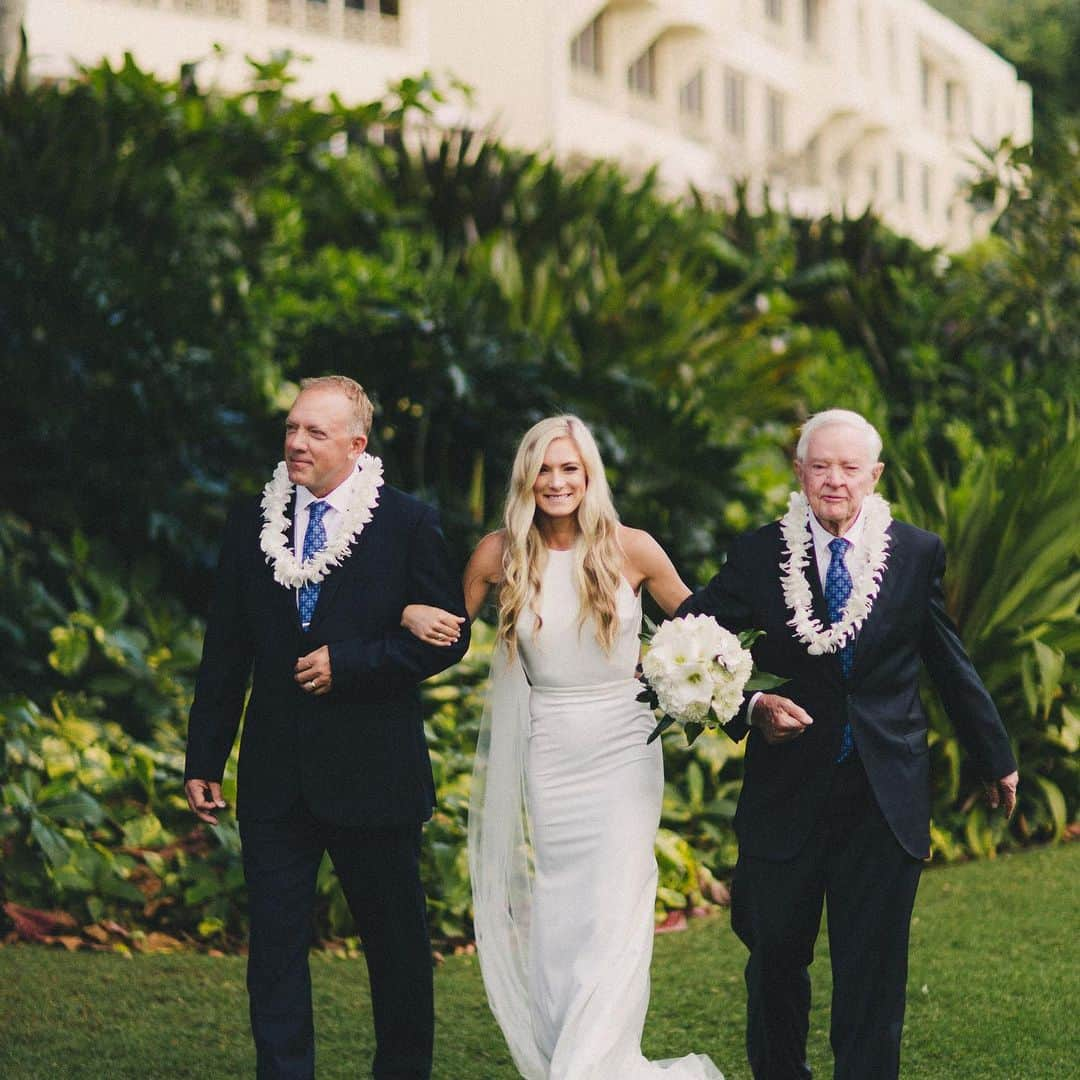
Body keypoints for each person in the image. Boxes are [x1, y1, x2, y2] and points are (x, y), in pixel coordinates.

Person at [677, 408, 1018, 1080]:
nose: (835, 480)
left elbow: (946, 659)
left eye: (849, 467)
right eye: (821, 466)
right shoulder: (756, 555)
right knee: (774, 954)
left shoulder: (915, 552)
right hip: (786, 794)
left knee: (873, 972)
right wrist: (751, 707)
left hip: (883, 794)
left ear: (874, 475)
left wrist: (995, 756)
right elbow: (687, 644)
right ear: (800, 473)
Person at [402, 415, 723, 1079]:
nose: (556, 481)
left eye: (569, 468)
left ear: (589, 476)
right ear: (527, 477)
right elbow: (451, 632)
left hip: (624, 745)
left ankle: (587, 1064)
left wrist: (682, 673)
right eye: (544, 469)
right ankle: (570, 1048)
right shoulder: (498, 554)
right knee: (562, 904)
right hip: (550, 747)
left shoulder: (631, 548)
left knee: (617, 901)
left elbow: (703, 632)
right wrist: (407, 613)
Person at [184, 375, 469, 1080]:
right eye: (291, 429)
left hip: (374, 774)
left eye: (315, 432)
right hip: (277, 778)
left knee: (396, 952)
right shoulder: (254, 523)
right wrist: (205, 756)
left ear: (355, 443)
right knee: (274, 953)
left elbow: (449, 636)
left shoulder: (407, 522)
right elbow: (226, 649)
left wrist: (356, 662)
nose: (297, 443)